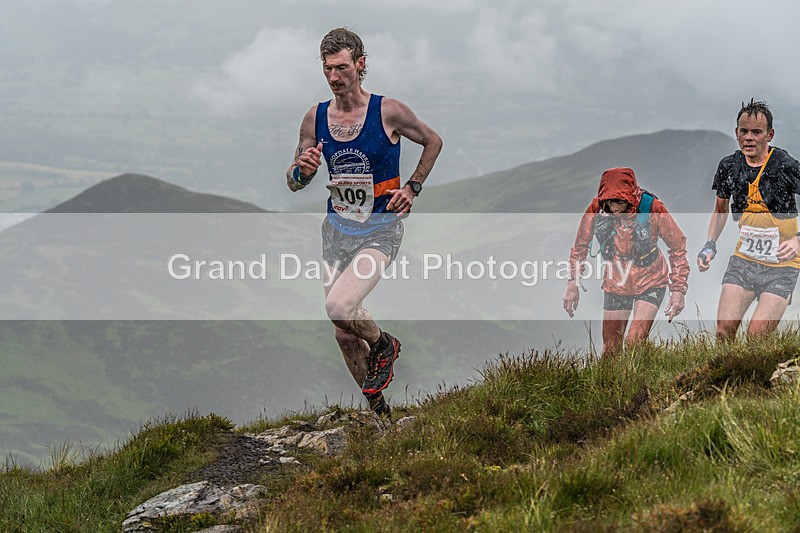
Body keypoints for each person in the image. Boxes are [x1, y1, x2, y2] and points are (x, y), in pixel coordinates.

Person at [286, 28, 442, 417]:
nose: (334, 77)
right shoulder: (316, 116)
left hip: (380, 228)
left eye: (341, 68)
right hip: (336, 231)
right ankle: (380, 416)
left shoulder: (388, 111)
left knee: (339, 307)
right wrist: (301, 171)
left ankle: (385, 344)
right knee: (343, 332)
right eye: (327, 69)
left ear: (360, 64)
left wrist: (413, 187)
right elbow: (293, 182)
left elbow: (433, 141)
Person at [698, 99, 800, 339]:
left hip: (782, 265)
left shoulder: (785, 165)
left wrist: (798, 240)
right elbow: (720, 210)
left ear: (770, 135)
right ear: (736, 133)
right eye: (744, 131)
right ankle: (726, 378)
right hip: (745, 260)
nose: (749, 138)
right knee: (724, 332)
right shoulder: (729, 166)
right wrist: (709, 244)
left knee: (757, 336)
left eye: (757, 132)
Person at [563, 167, 689, 355]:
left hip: (651, 280)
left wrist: (678, 290)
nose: (614, 209)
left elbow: (678, 246)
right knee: (610, 348)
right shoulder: (597, 209)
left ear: (629, 198)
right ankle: (608, 384)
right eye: (609, 203)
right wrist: (573, 283)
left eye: (619, 203)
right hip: (617, 283)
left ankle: (642, 382)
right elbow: (580, 247)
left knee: (635, 342)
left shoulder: (652, 207)